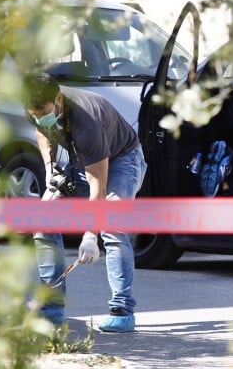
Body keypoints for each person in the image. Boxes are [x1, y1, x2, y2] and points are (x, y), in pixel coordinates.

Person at [22, 72, 146, 332]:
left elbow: (97, 187)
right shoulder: (37, 106)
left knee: (112, 227)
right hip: (81, 157)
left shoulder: (87, 124)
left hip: (122, 159)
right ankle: (52, 307)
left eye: (42, 111)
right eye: (32, 112)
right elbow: (42, 131)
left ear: (58, 99)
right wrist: (51, 170)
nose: (37, 116)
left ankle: (122, 310)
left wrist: (90, 235)